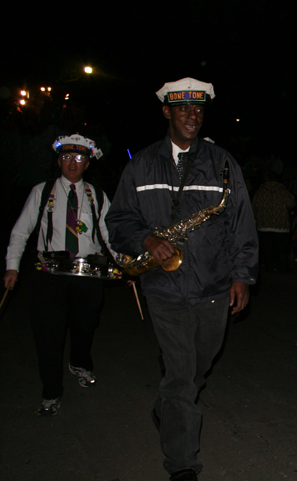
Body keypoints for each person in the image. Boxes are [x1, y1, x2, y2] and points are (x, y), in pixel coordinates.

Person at [106, 78, 258, 481]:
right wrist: (147, 237)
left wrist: (243, 276)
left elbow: (242, 224)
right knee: (180, 376)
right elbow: (118, 219)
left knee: (197, 370)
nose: (192, 116)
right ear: (167, 112)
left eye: (199, 110)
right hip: (163, 288)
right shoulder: (141, 164)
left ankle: (167, 409)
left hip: (213, 285)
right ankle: (182, 463)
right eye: (183, 109)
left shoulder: (223, 162)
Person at [4, 134, 112, 416]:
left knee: (84, 328)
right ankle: (51, 392)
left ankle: (79, 362)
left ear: (87, 163)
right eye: (66, 158)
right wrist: (12, 266)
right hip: (49, 275)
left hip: (87, 274)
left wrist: (127, 262)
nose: (72, 163)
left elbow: (111, 235)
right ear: (58, 162)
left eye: (78, 158)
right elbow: (21, 231)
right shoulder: (43, 191)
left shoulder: (97, 195)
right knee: (48, 336)